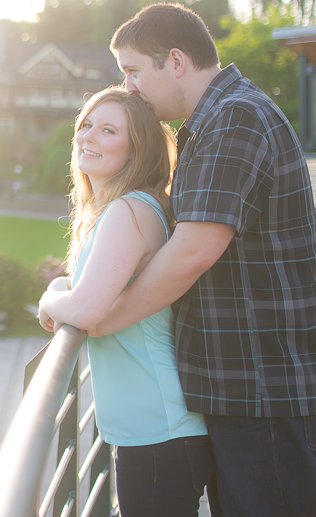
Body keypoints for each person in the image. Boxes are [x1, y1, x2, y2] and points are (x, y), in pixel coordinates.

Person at [94, 3, 316, 517]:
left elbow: (190, 253)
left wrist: (102, 319)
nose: (128, 88)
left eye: (134, 71)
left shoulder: (236, 118)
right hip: (255, 388)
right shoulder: (218, 118)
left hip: (272, 389)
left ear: (177, 61)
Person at [38, 87, 214, 516]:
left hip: (159, 431)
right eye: (86, 125)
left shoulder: (129, 212)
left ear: (136, 149)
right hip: (149, 431)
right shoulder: (124, 209)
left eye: (108, 130)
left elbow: (86, 312)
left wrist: (49, 296)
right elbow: (88, 298)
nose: (88, 137)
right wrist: (66, 290)